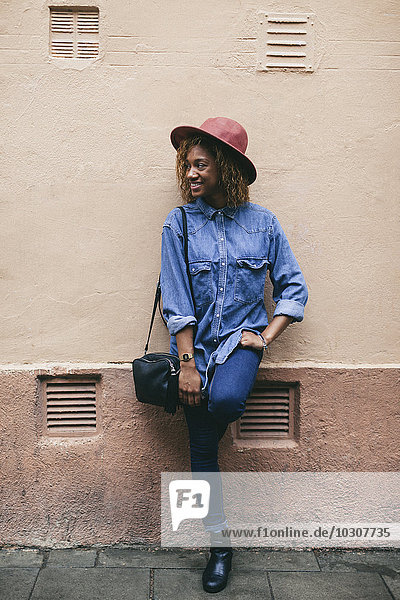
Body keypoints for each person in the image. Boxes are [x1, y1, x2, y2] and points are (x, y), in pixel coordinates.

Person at [160, 117, 308, 593]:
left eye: (200, 164)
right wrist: (187, 365)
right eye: (186, 165)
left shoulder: (263, 223)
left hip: (239, 342)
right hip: (194, 348)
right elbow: (176, 298)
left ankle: (217, 539)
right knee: (203, 444)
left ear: (225, 166)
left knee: (221, 404)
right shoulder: (179, 224)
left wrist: (265, 336)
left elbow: (293, 288)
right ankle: (219, 546)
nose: (190, 174)